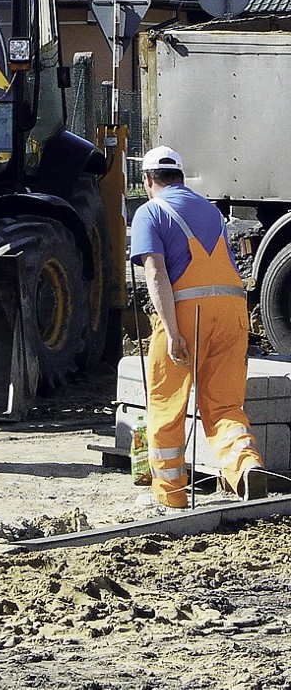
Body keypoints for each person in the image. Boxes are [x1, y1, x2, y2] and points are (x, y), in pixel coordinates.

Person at [130, 145, 267, 507]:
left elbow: (156, 272)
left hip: (188, 315)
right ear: (180, 176)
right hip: (233, 312)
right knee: (224, 406)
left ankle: (170, 495)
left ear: (147, 180)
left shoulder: (151, 211)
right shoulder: (211, 211)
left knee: (166, 404)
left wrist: (173, 333)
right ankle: (245, 466)